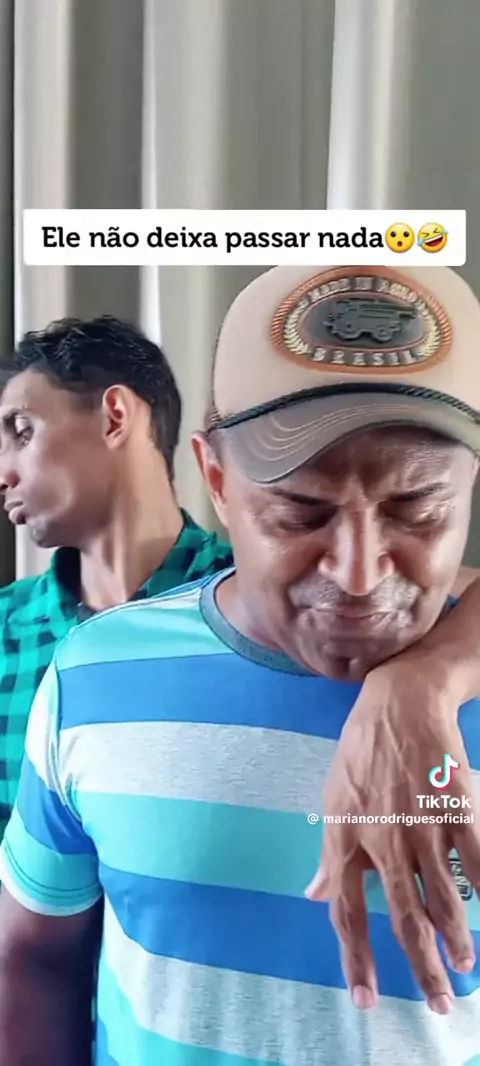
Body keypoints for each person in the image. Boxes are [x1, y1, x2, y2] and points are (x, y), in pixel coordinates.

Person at [2, 264, 480, 1066]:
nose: (358, 574)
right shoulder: (89, 672)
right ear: (218, 481)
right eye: (301, 511)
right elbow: (36, 961)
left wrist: (425, 682)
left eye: (418, 509)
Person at [0, 315, 233, 840]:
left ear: (114, 417)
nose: (3, 475)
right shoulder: (3, 630)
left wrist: (413, 676)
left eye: (22, 431)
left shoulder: (260, 602)